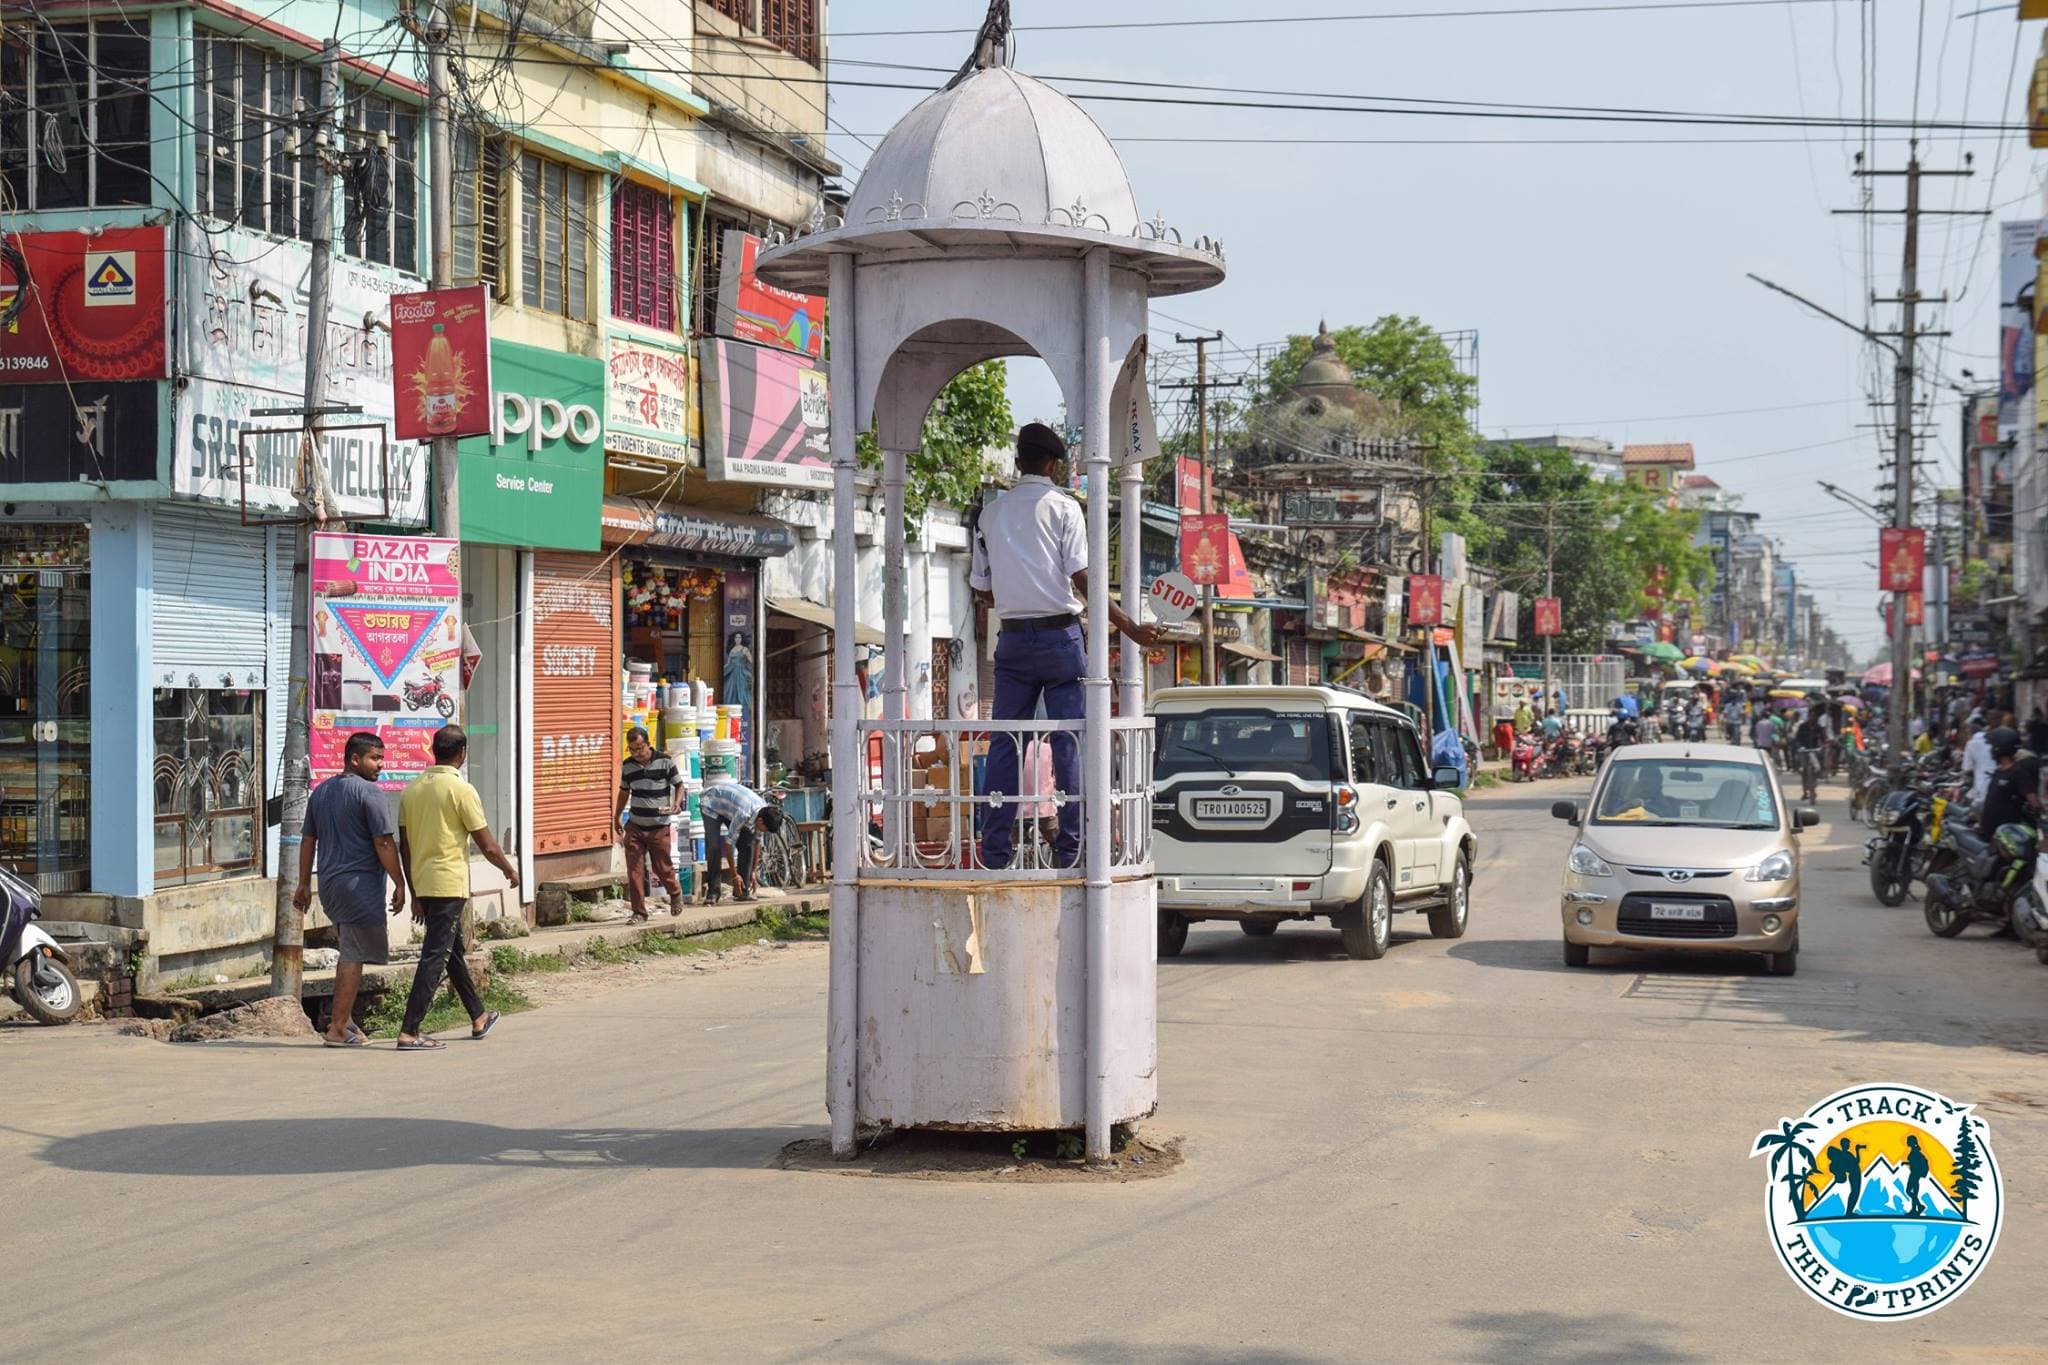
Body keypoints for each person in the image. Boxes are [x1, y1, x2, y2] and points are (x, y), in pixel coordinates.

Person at [969, 423, 1157, 870]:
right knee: (1068, 742)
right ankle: (1071, 851)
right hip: (1059, 638)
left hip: (1012, 639)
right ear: (1054, 465)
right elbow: (1082, 579)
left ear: (1019, 463)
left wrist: (1020, 594)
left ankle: (994, 852)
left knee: (1005, 744)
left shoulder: (990, 513)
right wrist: (1128, 626)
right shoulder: (1064, 507)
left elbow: (983, 589)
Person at [394, 725, 519, 1051]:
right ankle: (410, 1030)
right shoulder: (461, 790)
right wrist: (508, 869)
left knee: (451, 953)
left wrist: (414, 892)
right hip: (449, 883)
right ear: (462, 753)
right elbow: (487, 844)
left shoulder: (412, 790)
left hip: (424, 881)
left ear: (434, 750)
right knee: (435, 955)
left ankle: (478, 1016)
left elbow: (404, 848)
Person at [294, 732, 406, 1048]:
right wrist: (400, 881)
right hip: (358, 886)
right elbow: (383, 841)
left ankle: (348, 1022)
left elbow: (308, 841)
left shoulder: (322, 792)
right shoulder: (370, 793)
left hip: (330, 886)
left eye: (382, 758)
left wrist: (304, 883)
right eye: (374, 758)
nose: (380, 765)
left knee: (351, 948)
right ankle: (338, 1026)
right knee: (354, 953)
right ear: (354, 759)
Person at [616, 727, 684, 922]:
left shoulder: (665, 762)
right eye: (632, 749)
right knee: (634, 870)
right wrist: (617, 816)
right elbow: (623, 792)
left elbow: (679, 785)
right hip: (635, 825)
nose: (637, 753)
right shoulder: (628, 766)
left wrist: (677, 803)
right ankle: (639, 912)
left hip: (659, 826)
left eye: (640, 748)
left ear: (648, 744)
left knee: (662, 867)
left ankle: (675, 892)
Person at [697, 779, 788, 903]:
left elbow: (756, 842)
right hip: (711, 803)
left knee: (748, 842)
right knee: (714, 847)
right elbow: (729, 844)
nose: (763, 832)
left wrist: (753, 872)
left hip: (730, 806)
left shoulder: (764, 811)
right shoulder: (744, 814)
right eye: (765, 829)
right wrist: (734, 875)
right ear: (760, 822)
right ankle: (713, 892)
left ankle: (743, 890)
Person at [1977, 727, 2038, 839]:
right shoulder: (1998, 771)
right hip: (1989, 833)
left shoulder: (2018, 773)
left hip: (2005, 838)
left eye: (1992, 746)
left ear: (1999, 748)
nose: (1990, 750)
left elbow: (2034, 803)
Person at [1825, 1137, 1864, 1216]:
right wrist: (1857, 1150)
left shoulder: (1844, 1154)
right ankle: (1849, 1212)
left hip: (1854, 1174)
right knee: (1855, 1193)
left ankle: (1849, 1211)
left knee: (1854, 1193)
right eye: (1847, 1144)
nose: (1849, 1145)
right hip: (1854, 1174)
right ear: (1844, 1145)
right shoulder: (1845, 1154)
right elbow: (1856, 1162)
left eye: (1848, 1144)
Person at [1961, 716, 1995, 804]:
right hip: (1996, 782)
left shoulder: (1971, 743)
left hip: (1982, 785)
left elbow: (1967, 770)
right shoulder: (1992, 738)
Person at [1904, 1135, 1930, 1217]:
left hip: (1914, 1174)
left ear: (1911, 1142)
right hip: (1915, 1174)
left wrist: (1909, 1163)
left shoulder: (1915, 1152)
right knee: (1913, 1193)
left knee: (1909, 1191)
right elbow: (1914, 1162)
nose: (1907, 1142)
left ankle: (1918, 1207)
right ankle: (1916, 1208)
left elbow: (1915, 1163)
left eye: (1908, 1141)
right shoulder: (1915, 1151)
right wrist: (1906, 1163)